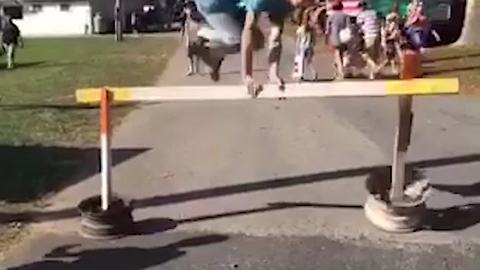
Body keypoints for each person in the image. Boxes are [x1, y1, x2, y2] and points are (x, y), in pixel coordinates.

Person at [193, 0, 314, 95]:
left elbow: (275, 34)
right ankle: (204, 34)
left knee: (257, 42)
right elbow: (248, 30)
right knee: (238, 39)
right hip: (214, 4)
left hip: (235, 4)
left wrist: (273, 74)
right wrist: (247, 77)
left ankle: (213, 56)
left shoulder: (287, 5)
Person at [377, 2, 404, 74]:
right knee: (390, 57)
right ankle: (378, 69)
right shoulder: (390, 24)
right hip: (390, 41)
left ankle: (394, 69)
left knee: (393, 57)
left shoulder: (392, 23)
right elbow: (387, 34)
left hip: (393, 40)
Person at [326, 1, 349, 80]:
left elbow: (328, 29)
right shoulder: (346, 16)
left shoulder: (331, 16)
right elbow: (348, 26)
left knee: (337, 55)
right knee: (342, 54)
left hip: (334, 36)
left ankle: (340, 73)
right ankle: (341, 71)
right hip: (344, 37)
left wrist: (327, 37)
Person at [292, 7, 318, 81]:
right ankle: (314, 73)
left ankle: (300, 74)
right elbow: (314, 38)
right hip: (310, 46)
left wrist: (297, 48)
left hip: (302, 46)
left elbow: (298, 39)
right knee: (309, 61)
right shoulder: (311, 28)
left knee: (301, 61)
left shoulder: (301, 28)